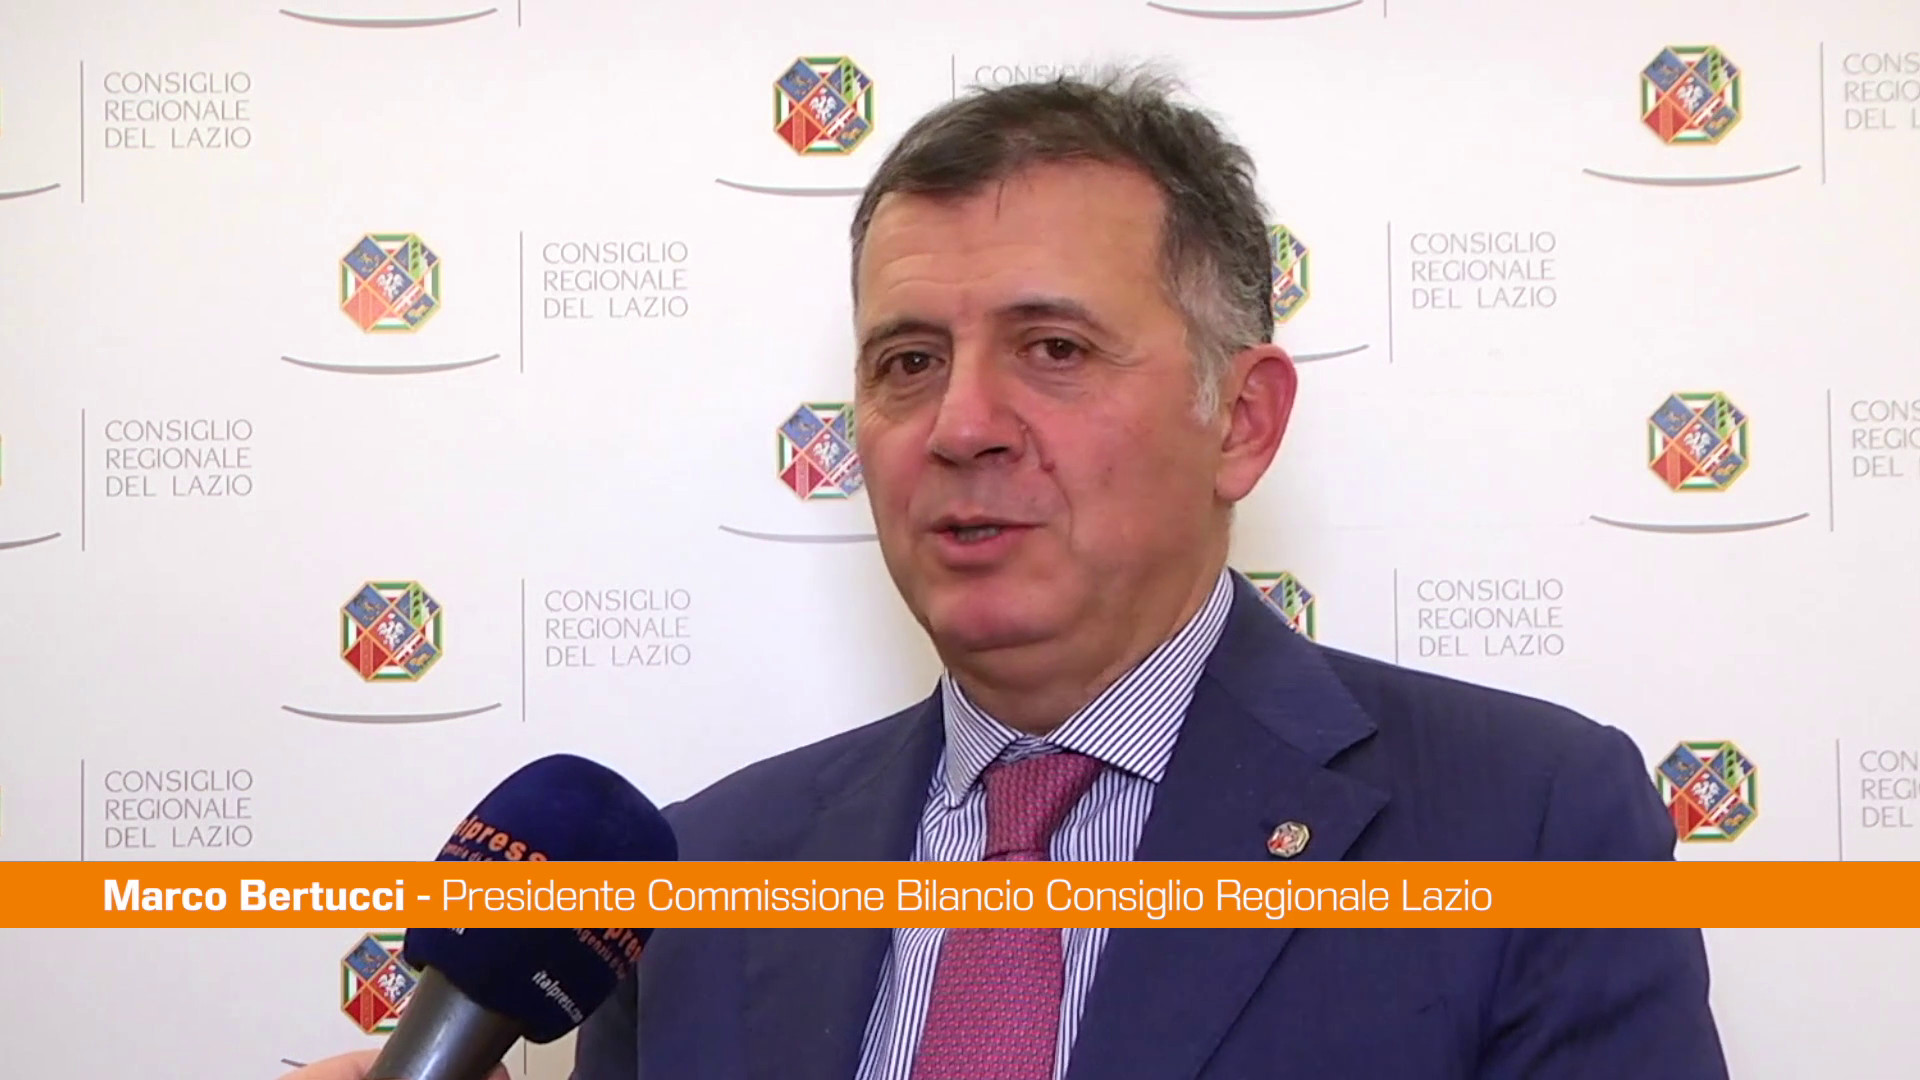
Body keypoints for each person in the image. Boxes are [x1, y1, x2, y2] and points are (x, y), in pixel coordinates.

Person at [279, 68, 1728, 1080]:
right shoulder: (698, 886)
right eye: (909, 361)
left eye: (1054, 349)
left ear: (1242, 420)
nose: (962, 424)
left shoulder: (1529, 824)